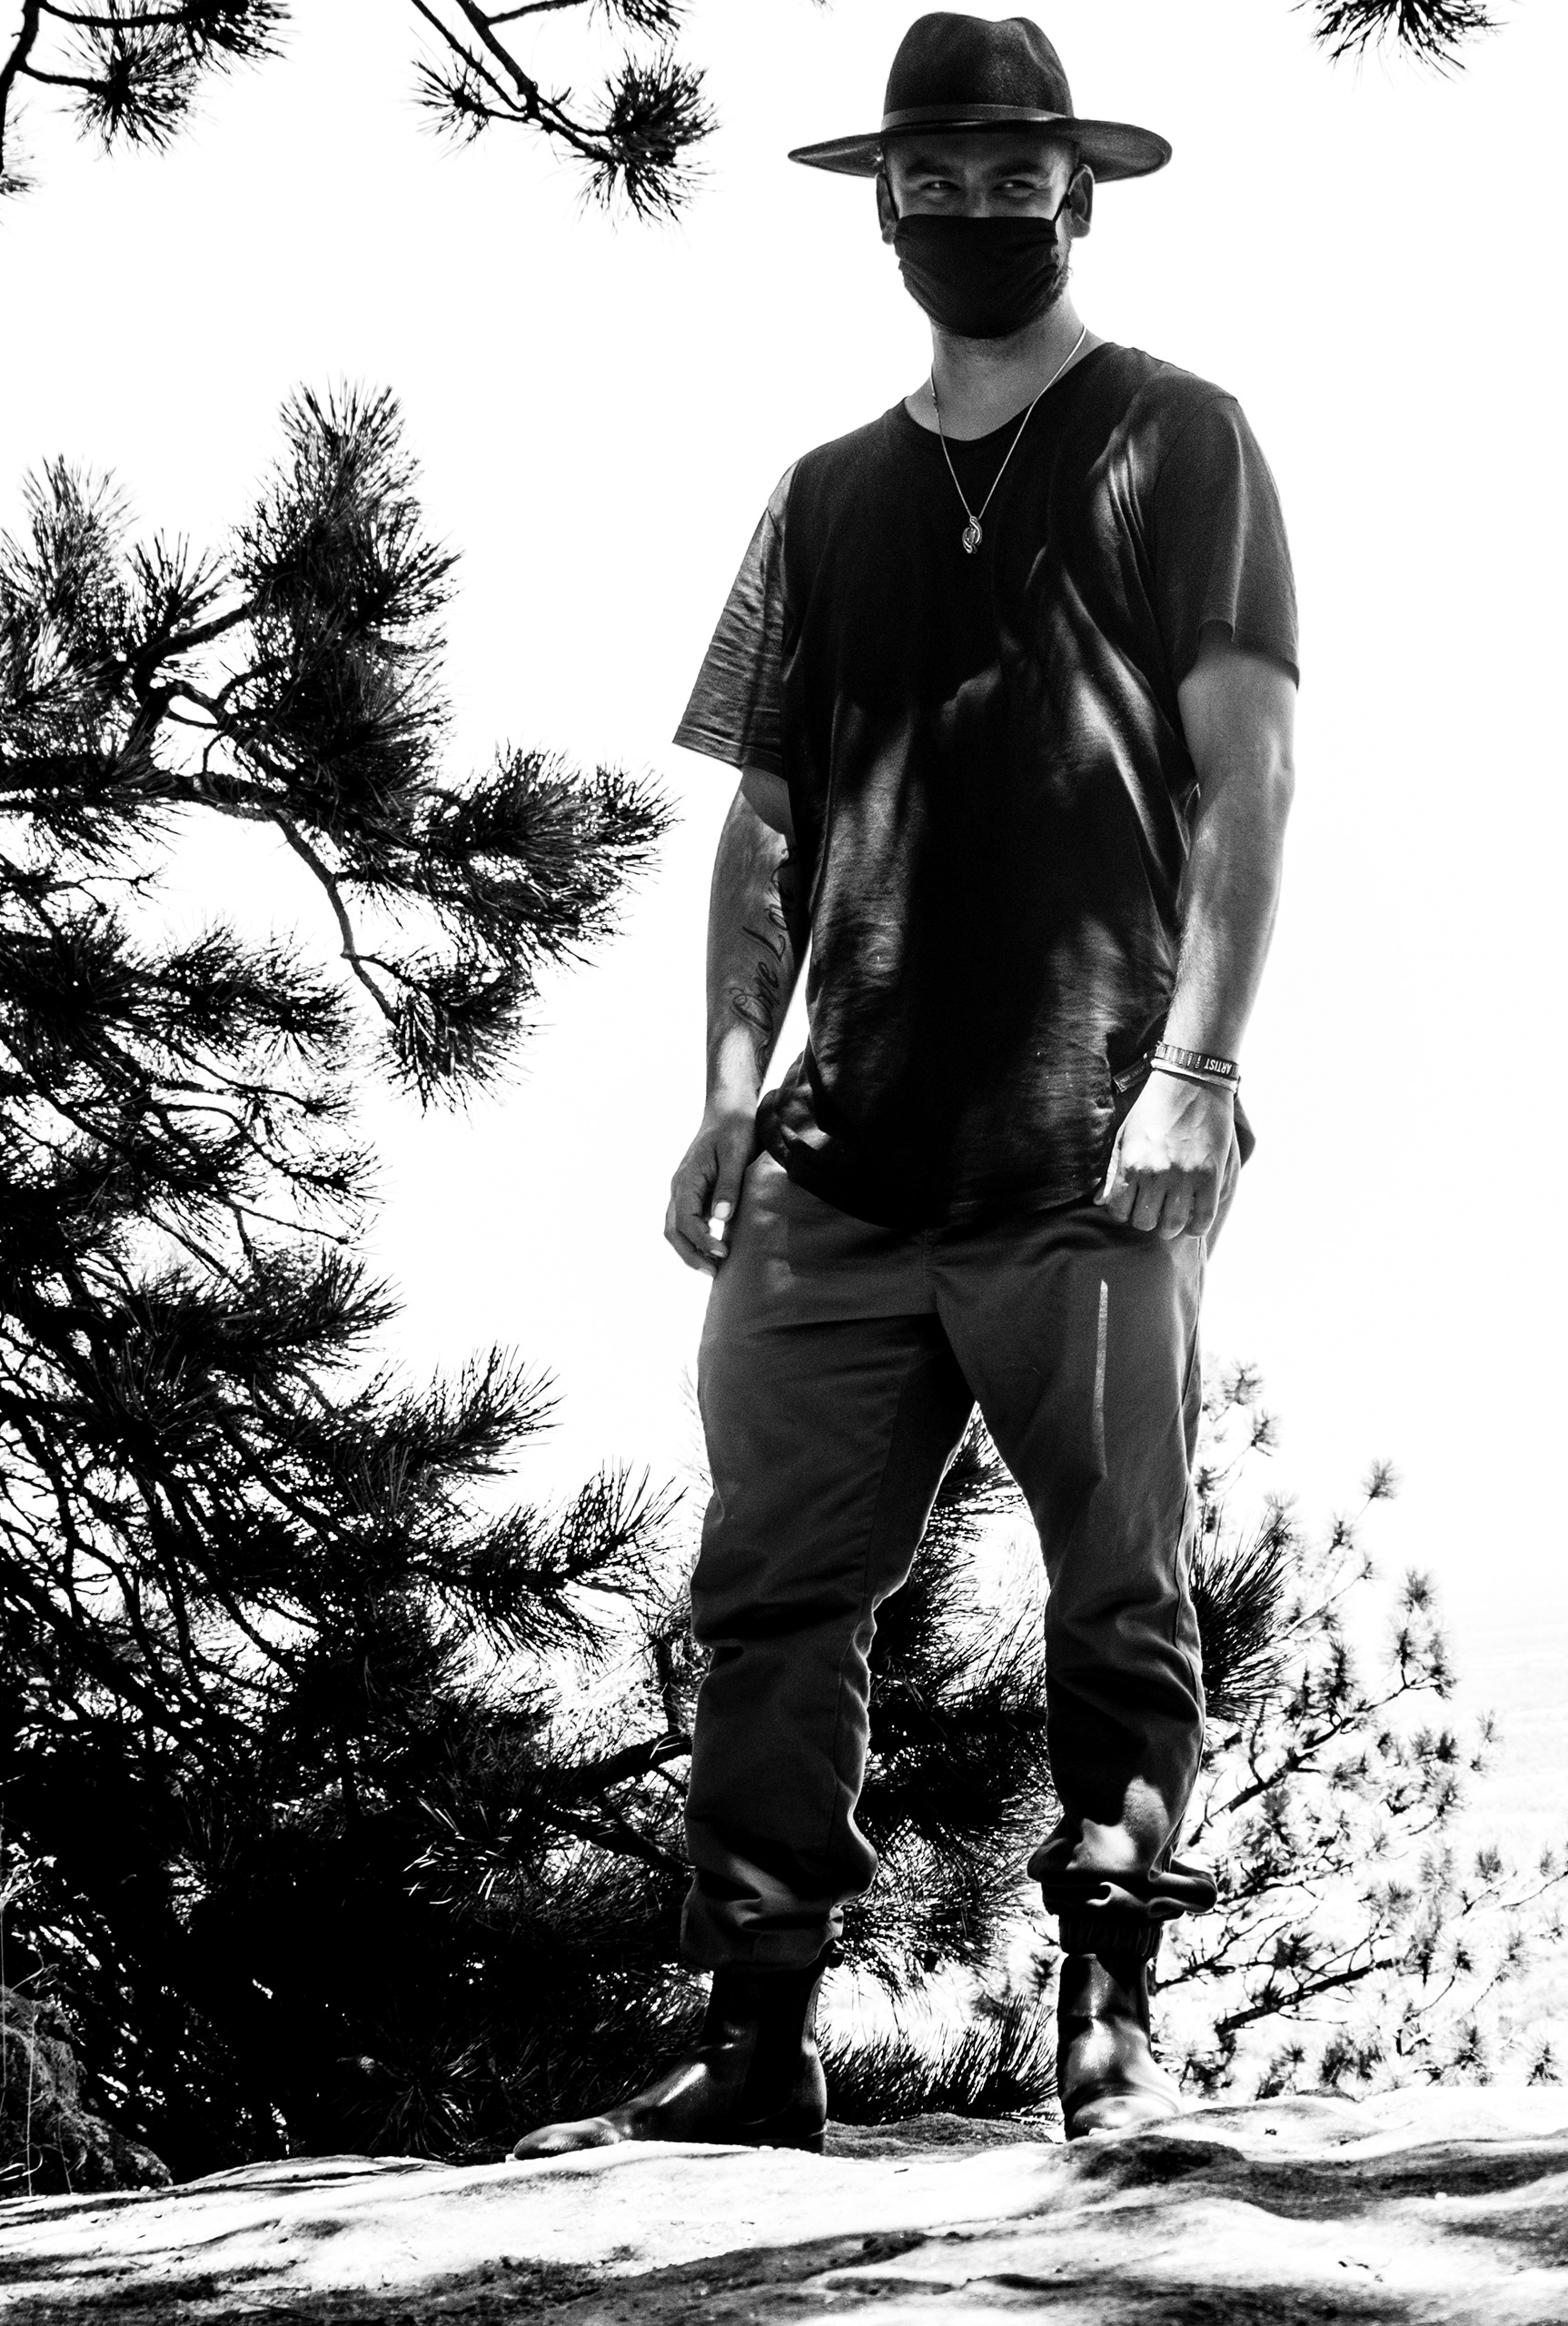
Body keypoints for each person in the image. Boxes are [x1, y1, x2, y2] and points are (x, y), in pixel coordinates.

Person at [512, 11, 1297, 2156]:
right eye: (930, 176)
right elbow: (763, 822)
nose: (969, 207)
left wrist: (1197, 1066)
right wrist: (723, 1091)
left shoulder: (1185, 440)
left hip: (1092, 1139)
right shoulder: (820, 498)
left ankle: (1111, 2018)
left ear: (1078, 192)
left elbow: (1251, 777)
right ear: (884, 203)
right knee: (770, 1591)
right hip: (835, 1164)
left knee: (1117, 1577)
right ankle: (758, 2037)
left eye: (1009, 173)